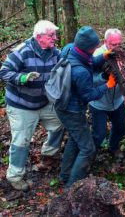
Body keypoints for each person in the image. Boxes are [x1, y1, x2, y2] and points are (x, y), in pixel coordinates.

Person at [0, 20, 64, 191]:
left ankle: (48, 155)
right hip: (21, 105)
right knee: (21, 141)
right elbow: (4, 72)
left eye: (55, 35)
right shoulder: (22, 52)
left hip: (44, 103)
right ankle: (15, 176)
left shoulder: (55, 53)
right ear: (39, 37)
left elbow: (65, 66)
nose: (55, 38)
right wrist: (22, 78)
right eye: (51, 35)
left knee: (59, 123)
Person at [55, 26, 115, 188]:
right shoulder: (80, 71)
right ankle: (71, 188)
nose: (97, 48)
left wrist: (103, 57)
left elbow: (90, 62)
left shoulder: (70, 49)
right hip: (72, 110)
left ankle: (65, 175)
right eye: (95, 47)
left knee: (75, 139)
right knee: (87, 149)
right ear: (88, 48)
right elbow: (89, 95)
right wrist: (107, 85)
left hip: (64, 105)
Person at [89, 29, 125, 158]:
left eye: (119, 44)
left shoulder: (123, 54)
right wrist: (103, 78)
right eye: (113, 44)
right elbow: (88, 80)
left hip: (117, 101)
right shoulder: (96, 55)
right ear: (105, 42)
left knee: (120, 128)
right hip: (99, 102)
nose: (116, 47)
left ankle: (113, 147)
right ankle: (90, 154)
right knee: (99, 133)